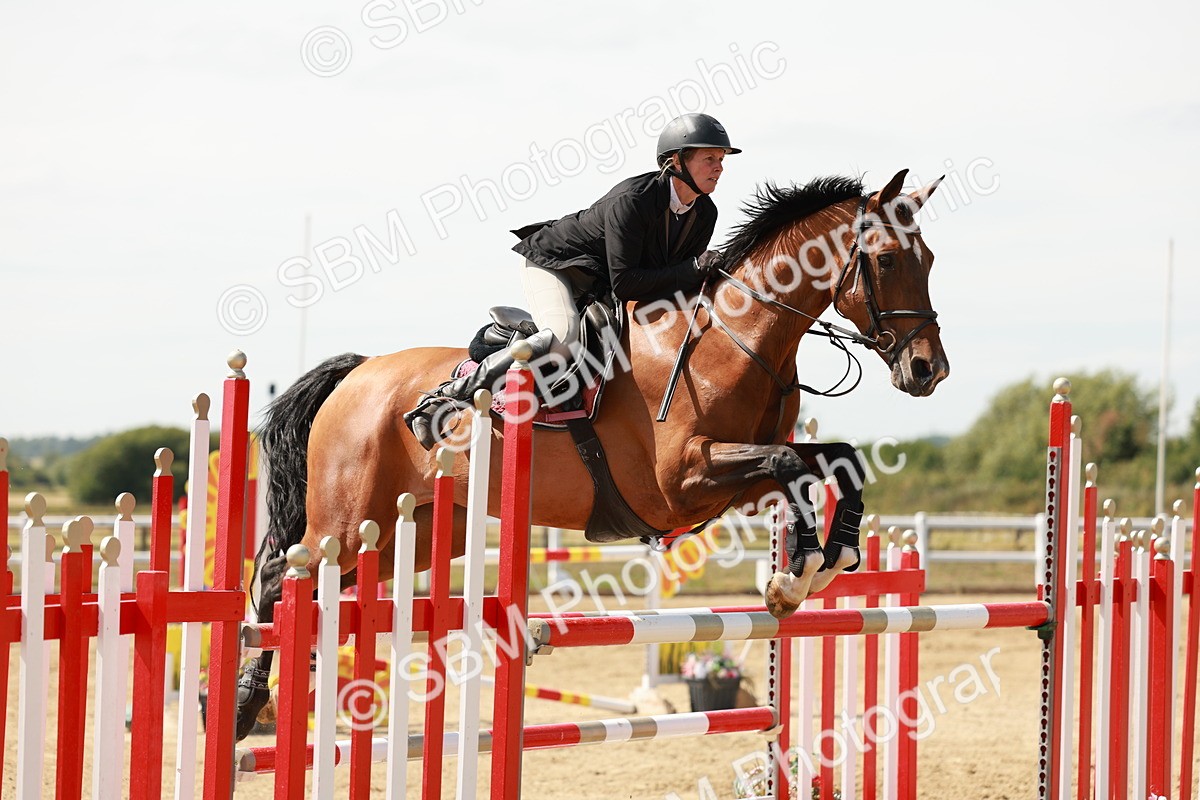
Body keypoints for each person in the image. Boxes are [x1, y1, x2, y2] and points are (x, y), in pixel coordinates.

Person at [405, 113, 740, 449]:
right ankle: (443, 400)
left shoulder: (705, 212)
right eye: (709, 158)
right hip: (556, 266)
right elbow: (627, 283)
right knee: (563, 338)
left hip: (600, 282)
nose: (719, 168)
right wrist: (695, 267)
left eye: (721, 160)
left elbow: (674, 281)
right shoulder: (634, 200)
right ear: (675, 161)